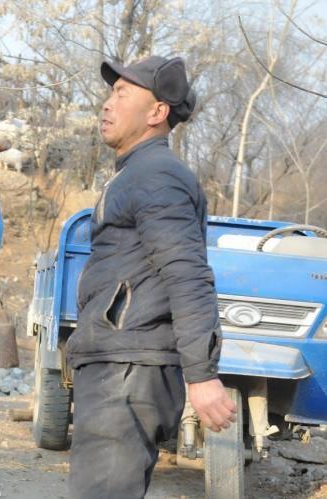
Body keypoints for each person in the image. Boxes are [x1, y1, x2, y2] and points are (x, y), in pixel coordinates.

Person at [66, 56, 237, 498]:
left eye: (122, 94)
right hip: (122, 362)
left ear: (157, 112)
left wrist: (202, 375)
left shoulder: (156, 175)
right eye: (111, 93)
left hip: (128, 367)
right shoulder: (136, 173)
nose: (107, 104)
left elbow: (187, 274)